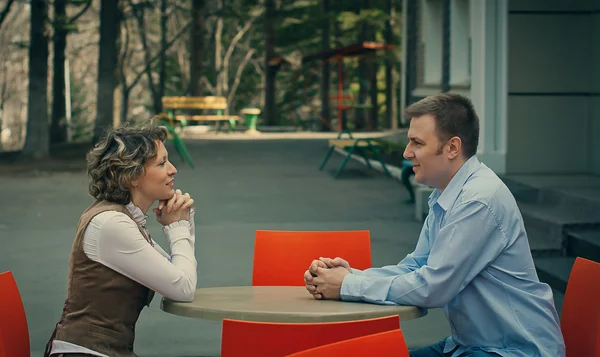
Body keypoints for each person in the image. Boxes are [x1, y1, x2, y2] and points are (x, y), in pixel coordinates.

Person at [304, 93, 565, 357]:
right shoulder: (446, 194)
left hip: (515, 351)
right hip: (470, 345)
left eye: (417, 143)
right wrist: (350, 277)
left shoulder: (478, 200)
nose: (407, 153)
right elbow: (416, 266)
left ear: (452, 148)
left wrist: (346, 286)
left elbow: (433, 287)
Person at [44, 122, 198, 357]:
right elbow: (183, 287)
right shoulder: (112, 225)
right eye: (161, 163)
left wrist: (182, 225)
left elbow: (178, 276)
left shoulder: (124, 219)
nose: (173, 169)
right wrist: (179, 227)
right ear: (133, 176)